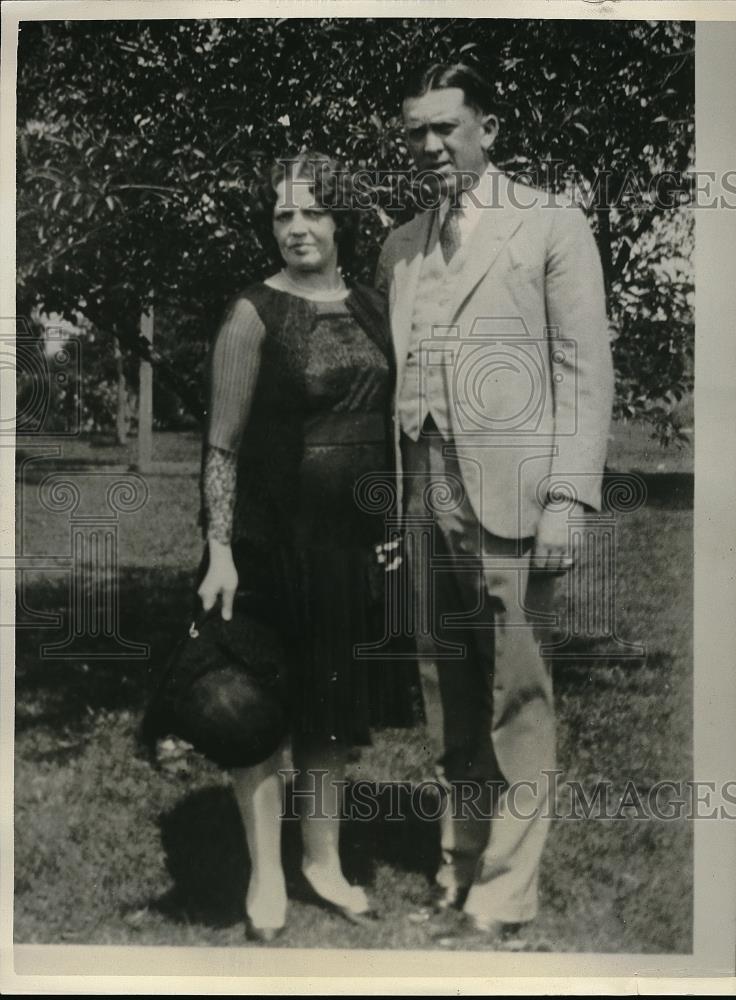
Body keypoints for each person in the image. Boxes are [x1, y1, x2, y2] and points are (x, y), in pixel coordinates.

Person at [375, 63, 614, 940]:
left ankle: (506, 892)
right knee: (448, 688)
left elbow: (582, 370)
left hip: (514, 494)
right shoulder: (399, 245)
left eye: (447, 127)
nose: (431, 146)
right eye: (416, 133)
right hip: (422, 487)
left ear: (488, 128)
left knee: (517, 691)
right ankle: (459, 862)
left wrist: (565, 497)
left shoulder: (550, 221)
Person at [198, 151, 402, 942]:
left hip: (348, 549)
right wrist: (220, 549)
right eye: (282, 214)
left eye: (312, 211)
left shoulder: (376, 308)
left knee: (329, 716)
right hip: (266, 544)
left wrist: (392, 522)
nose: (296, 228)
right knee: (260, 715)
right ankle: (266, 878)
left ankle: (324, 862)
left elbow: (392, 426)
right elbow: (221, 444)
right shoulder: (254, 312)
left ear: (341, 220)